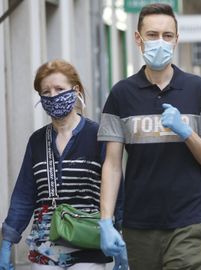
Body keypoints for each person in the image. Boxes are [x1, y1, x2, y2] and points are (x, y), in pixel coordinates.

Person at [97, 3, 201, 270]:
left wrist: (186, 131)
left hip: (188, 221)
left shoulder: (199, 90)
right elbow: (112, 164)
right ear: (138, 38)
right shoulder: (121, 94)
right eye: (152, 35)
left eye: (167, 36)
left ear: (176, 40)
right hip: (138, 223)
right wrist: (105, 221)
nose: (160, 42)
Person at [0, 59, 125, 269]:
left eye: (59, 89)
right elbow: (24, 195)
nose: (53, 96)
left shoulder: (98, 135)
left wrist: (122, 238)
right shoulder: (37, 141)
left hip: (89, 248)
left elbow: (116, 190)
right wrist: (7, 241)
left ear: (75, 90)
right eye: (46, 91)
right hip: (44, 252)